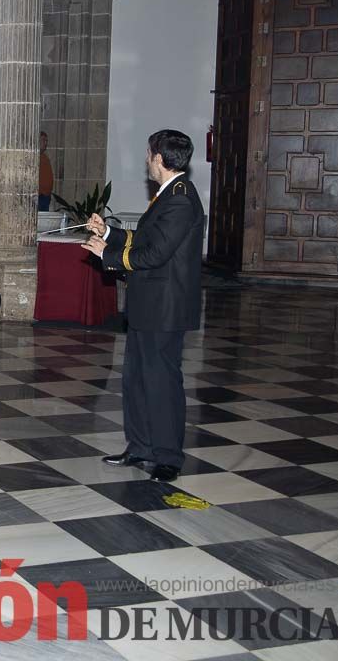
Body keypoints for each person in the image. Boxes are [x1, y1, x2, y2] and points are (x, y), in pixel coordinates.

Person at [84, 129, 204, 483]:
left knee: (162, 381)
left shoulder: (181, 198)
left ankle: (167, 456)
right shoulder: (168, 195)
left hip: (164, 308)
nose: (147, 161)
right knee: (136, 379)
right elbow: (146, 238)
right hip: (147, 304)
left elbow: (155, 254)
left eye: (150, 154)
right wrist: (108, 233)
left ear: (161, 159)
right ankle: (140, 446)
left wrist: (108, 255)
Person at [38, 131, 54, 212]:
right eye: (43, 140)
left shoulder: (45, 157)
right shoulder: (33, 157)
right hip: (38, 196)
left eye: (46, 141)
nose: (46, 143)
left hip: (46, 196)